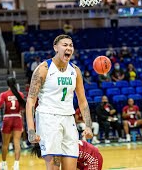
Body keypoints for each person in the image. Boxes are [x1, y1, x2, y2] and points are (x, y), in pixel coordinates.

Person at [25, 34, 93, 170]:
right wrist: (31, 130)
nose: (69, 47)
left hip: (68, 119)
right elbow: (31, 101)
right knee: (54, 167)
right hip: (48, 119)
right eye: (65, 45)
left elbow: (82, 101)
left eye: (71, 45)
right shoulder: (43, 69)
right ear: (55, 48)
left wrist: (88, 125)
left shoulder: (75, 71)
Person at [0, 77, 26, 170]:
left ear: (7, 84)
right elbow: (22, 109)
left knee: (5, 144)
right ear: (15, 83)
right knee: (17, 143)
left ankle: (4, 164)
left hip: (8, 118)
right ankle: (16, 165)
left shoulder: (4, 94)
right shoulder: (20, 94)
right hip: (17, 118)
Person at [31, 140, 103, 170]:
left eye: (45, 158)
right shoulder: (55, 146)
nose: (47, 160)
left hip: (92, 157)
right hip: (80, 159)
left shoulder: (57, 152)